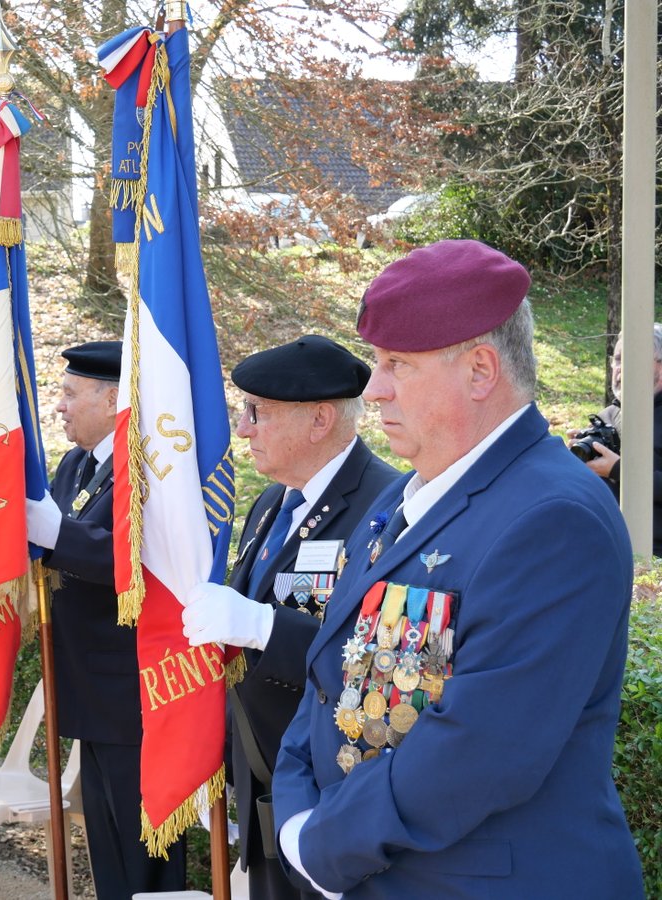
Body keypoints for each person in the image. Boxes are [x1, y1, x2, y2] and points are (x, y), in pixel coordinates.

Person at [268, 239, 643, 898]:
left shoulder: (555, 520)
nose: (374, 387)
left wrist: (321, 846)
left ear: (479, 371)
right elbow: (332, 676)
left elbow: (482, 748)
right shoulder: (404, 496)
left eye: (396, 365)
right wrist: (298, 813)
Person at [181, 335, 399, 900]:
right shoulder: (273, 500)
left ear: (320, 420)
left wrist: (262, 626)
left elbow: (372, 652)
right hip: (263, 777)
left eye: (258, 413)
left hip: (328, 794)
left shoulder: (384, 506)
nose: (244, 428)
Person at [25, 340, 187, 898]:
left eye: (71, 394)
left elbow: (134, 556)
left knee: (144, 842)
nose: (60, 406)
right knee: (105, 835)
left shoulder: (150, 465)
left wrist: (52, 533)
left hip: (133, 688)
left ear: (113, 396)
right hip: (87, 685)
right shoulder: (75, 463)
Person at [567, 325, 662, 556]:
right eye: (618, 359)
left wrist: (619, 470)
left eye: (634, 358)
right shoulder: (606, 417)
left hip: (652, 554)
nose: (621, 368)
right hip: (601, 544)